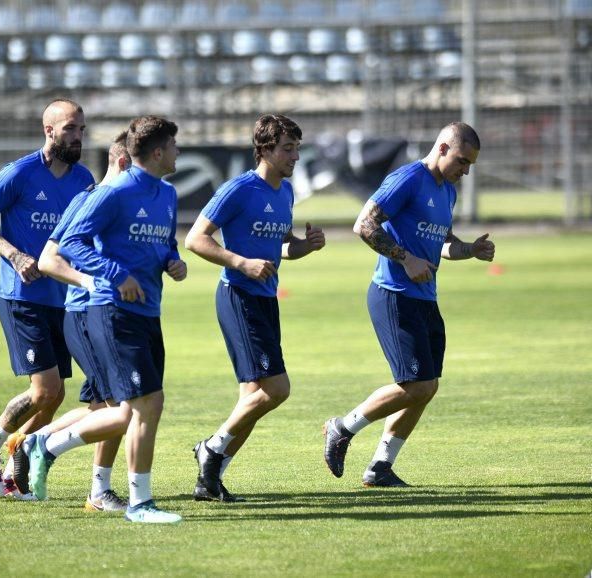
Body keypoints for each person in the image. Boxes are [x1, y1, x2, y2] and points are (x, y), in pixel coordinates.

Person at [13, 115, 187, 524]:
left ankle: (46, 449)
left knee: (137, 408)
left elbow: (162, 242)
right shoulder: (114, 193)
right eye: (175, 146)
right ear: (158, 152)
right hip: (111, 310)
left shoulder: (168, 194)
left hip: (148, 310)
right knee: (140, 407)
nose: (180, 152)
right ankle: (137, 503)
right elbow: (69, 245)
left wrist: (172, 261)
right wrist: (114, 275)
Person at [322, 122, 495, 487]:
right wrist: (404, 258)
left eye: (470, 166)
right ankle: (341, 427)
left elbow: (442, 245)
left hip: (425, 298)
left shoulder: (447, 192)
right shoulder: (407, 179)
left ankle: (380, 466)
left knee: (427, 387)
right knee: (415, 384)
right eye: (462, 161)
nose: (465, 171)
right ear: (443, 148)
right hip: (393, 294)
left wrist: (470, 250)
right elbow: (364, 224)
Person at [185, 114, 326, 502]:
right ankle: (210, 450)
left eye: (297, 148)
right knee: (276, 389)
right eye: (287, 148)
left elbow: (282, 246)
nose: (295, 156)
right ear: (264, 149)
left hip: (265, 299)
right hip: (238, 296)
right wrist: (241, 263)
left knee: (251, 398)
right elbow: (195, 240)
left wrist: (304, 245)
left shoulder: (285, 192)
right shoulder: (239, 189)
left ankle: (209, 481)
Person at [0, 99, 94, 499]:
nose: (77, 136)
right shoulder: (19, 174)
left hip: (63, 299)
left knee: (54, 395)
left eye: (81, 130)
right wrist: (15, 255)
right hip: (21, 296)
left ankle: (15, 462)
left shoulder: (84, 178)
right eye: (70, 128)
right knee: (43, 390)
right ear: (49, 130)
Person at [6, 131, 132, 513]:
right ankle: (95, 488)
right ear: (126, 162)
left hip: (102, 314)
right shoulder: (92, 200)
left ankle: (34, 442)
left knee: (105, 408)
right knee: (121, 408)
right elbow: (53, 256)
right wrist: (92, 281)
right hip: (87, 314)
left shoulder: (112, 199)